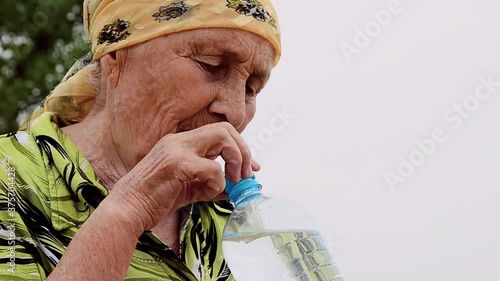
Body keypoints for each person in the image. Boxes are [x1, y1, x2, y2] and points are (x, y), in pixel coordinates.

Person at [0, 0, 281, 279]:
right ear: (116, 56)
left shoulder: (233, 225)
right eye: (210, 65)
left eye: (251, 88)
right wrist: (129, 210)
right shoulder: (9, 178)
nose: (234, 111)